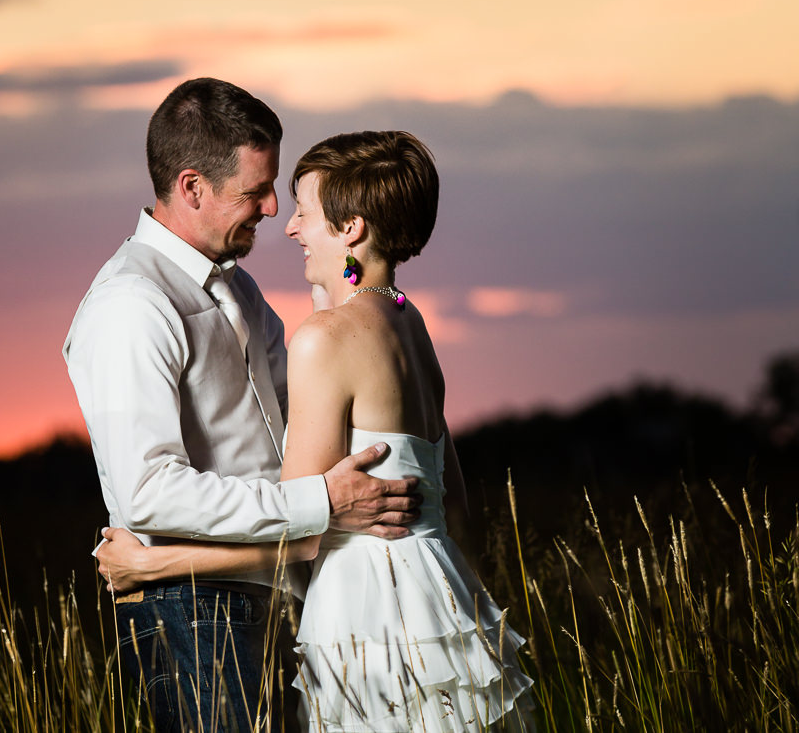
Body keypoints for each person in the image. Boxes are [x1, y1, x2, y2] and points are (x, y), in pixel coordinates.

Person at [96, 128, 534, 732]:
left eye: (303, 210)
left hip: (369, 611)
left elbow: (299, 532)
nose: (292, 226)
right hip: (441, 596)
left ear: (350, 227)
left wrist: (154, 565)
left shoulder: (326, 339)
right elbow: (456, 509)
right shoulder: (411, 324)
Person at [63, 81, 422, 733]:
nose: (271, 207)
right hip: (195, 609)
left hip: (283, 590)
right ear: (192, 186)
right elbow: (148, 493)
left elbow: (312, 400)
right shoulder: (132, 305)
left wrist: (355, 269)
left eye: (279, 188)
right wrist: (323, 504)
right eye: (255, 190)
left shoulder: (242, 289)